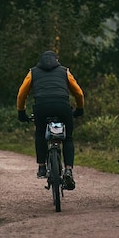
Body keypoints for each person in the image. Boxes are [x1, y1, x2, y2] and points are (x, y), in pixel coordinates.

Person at [16, 50, 85, 190]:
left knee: (40, 134)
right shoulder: (64, 71)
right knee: (68, 138)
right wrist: (79, 109)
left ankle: (42, 167)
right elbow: (78, 92)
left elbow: (22, 94)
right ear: (56, 60)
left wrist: (21, 112)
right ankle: (69, 170)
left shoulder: (33, 72)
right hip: (62, 106)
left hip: (42, 107)